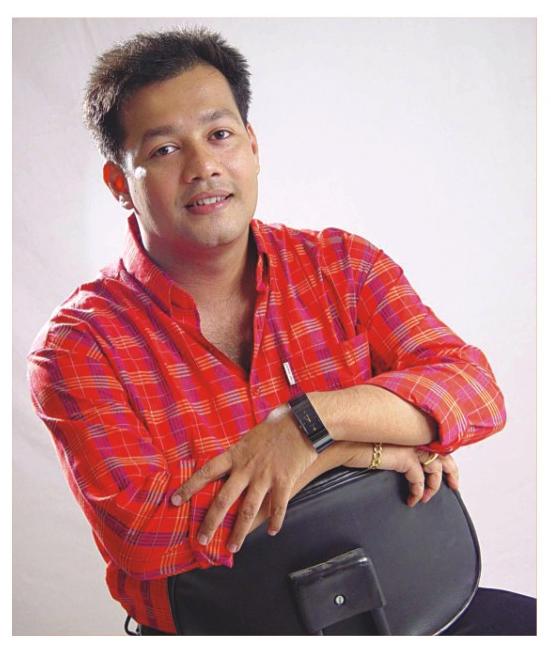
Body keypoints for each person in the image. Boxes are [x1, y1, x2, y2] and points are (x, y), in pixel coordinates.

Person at [26, 26, 536, 635]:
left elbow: (474, 392)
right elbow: (146, 532)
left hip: (414, 601)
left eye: (220, 135)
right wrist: (348, 450)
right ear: (119, 184)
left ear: (253, 146)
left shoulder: (343, 266)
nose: (203, 166)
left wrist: (306, 423)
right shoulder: (79, 344)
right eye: (164, 150)